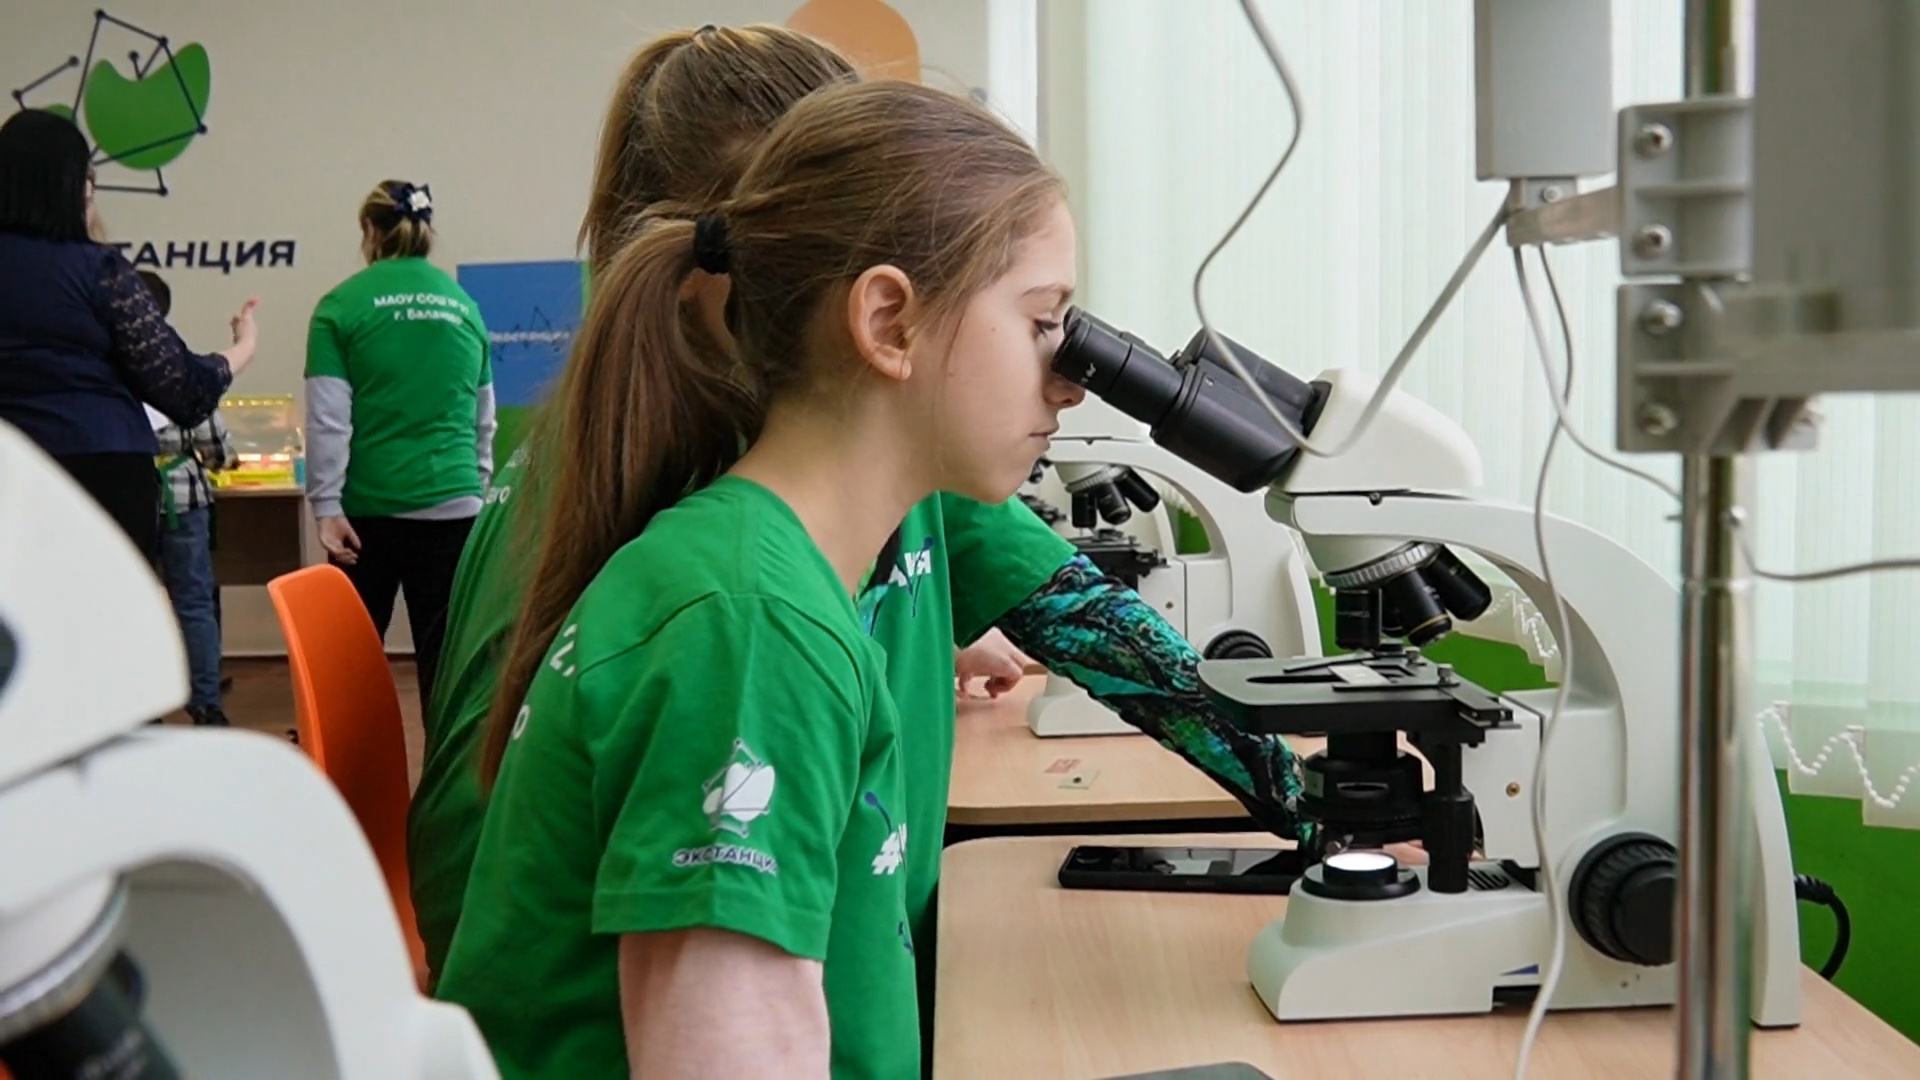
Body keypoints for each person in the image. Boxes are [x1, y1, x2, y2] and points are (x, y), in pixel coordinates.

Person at [408, 25, 1311, 1031]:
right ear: (868, 304)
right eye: (1037, 320)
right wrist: (1327, 808)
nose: (1067, 374)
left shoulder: (800, 480)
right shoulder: (742, 585)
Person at [436, 77, 1085, 1079]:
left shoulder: (774, 578)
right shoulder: (753, 629)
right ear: (889, 323)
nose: (1072, 380)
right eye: (1044, 322)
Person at [0, 109, 256, 559]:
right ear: (73, 187)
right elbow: (179, 387)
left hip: (13, 468)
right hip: (102, 468)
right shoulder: (98, 270)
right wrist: (242, 348)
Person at [304, 180, 493, 711]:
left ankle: (357, 767)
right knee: (448, 672)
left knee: (353, 670)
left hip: (369, 515)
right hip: (455, 507)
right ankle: (446, 768)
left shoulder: (340, 307)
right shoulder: (465, 307)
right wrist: (476, 488)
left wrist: (326, 505)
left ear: (370, 230)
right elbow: (484, 419)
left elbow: (328, 419)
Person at [139, 270, 237, 728]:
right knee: (195, 601)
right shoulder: (181, 367)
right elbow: (215, 447)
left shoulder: (107, 368)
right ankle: (206, 703)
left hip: (132, 498)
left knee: (135, 604)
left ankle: (144, 709)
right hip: (186, 499)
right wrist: (222, 461)